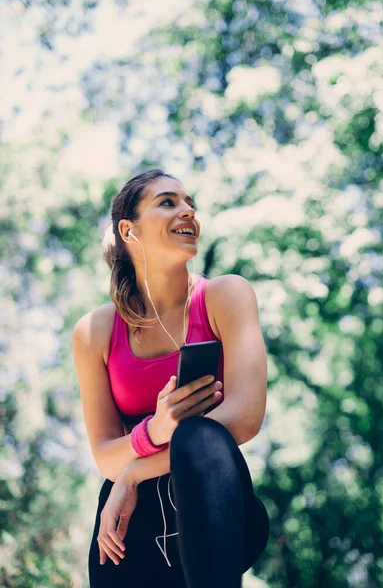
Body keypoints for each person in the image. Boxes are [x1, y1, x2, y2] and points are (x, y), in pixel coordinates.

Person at [72, 168, 270, 588]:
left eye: (190, 203)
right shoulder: (94, 333)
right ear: (129, 230)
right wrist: (154, 430)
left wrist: (135, 470)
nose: (188, 212)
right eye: (168, 202)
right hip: (130, 531)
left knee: (197, 436)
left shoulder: (226, 295)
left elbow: (245, 415)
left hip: (216, 513)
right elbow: (106, 455)